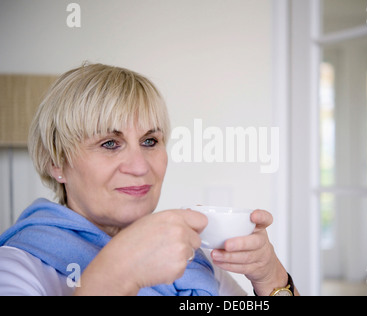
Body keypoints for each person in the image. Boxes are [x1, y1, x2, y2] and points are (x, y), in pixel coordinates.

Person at [0, 63, 299, 296]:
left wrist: (270, 275)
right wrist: (117, 273)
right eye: (109, 144)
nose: (140, 166)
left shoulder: (189, 259)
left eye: (150, 141)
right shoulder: (16, 267)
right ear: (57, 163)